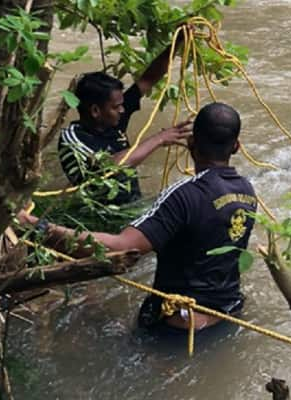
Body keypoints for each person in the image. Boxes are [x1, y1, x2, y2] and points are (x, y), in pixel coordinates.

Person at [22, 103, 257, 332]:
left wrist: (34, 226)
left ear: (191, 141)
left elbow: (119, 250)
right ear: (236, 146)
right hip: (228, 313)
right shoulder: (247, 191)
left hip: (180, 326)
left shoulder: (184, 195)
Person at [58, 47, 190, 205]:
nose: (122, 109)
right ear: (95, 111)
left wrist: (177, 43)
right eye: (116, 107)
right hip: (103, 215)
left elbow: (148, 79)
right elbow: (110, 167)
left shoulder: (112, 117)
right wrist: (159, 139)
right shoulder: (73, 138)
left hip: (133, 203)